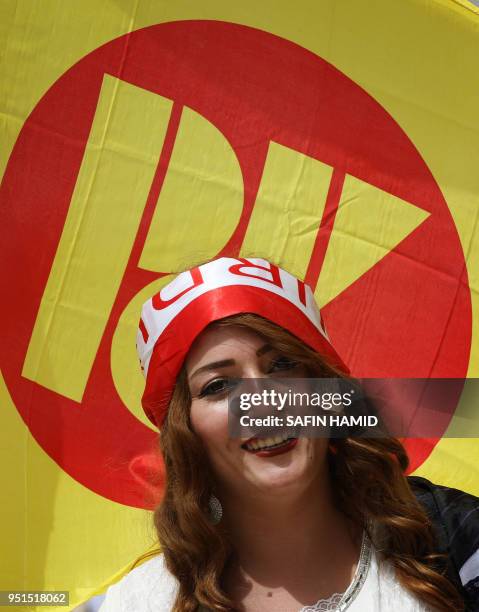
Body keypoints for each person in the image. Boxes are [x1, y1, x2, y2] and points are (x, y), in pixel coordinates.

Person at [100, 256, 479, 611]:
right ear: (186, 432)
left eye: (281, 365)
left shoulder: (451, 536)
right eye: (218, 386)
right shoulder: (140, 601)